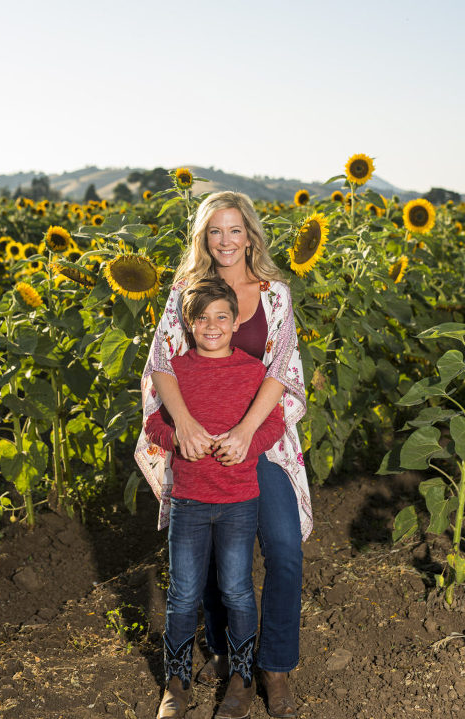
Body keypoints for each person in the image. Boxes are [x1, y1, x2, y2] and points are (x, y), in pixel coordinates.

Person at [135, 191, 313, 719]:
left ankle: (274, 670)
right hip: (199, 443)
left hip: (261, 440)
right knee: (211, 559)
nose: (226, 241)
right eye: (215, 231)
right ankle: (226, 660)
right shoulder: (185, 291)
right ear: (203, 238)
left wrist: (245, 432)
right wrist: (184, 424)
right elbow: (162, 361)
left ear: (251, 234)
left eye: (235, 230)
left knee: (283, 550)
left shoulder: (275, 294)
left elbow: (281, 368)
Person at [145, 277, 286, 719]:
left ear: (236, 320)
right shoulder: (177, 372)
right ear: (188, 322)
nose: (212, 325)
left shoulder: (251, 371)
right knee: (184, 594)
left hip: (240, 501)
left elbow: (275, 423)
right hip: (189, 501)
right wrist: (176, 439)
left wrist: (248, 443)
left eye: (221, 316)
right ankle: (176, 683)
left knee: (238, 591)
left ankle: (241, 681)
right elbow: (153, 425)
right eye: (202, 317)